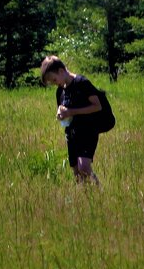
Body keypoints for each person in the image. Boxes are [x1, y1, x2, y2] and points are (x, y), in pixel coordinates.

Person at [40, 55, 103, 185]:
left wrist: (71, 112)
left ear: (61, 71)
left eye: (54, 79)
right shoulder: (60, 91)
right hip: (71, 134)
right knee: (76, 172)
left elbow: (97, 106)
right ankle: (86, 199)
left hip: (88, 131)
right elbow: (62, 110)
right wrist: (60, 115)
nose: (54, 83)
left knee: (84, 167)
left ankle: (99, 192)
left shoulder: (81, 83)